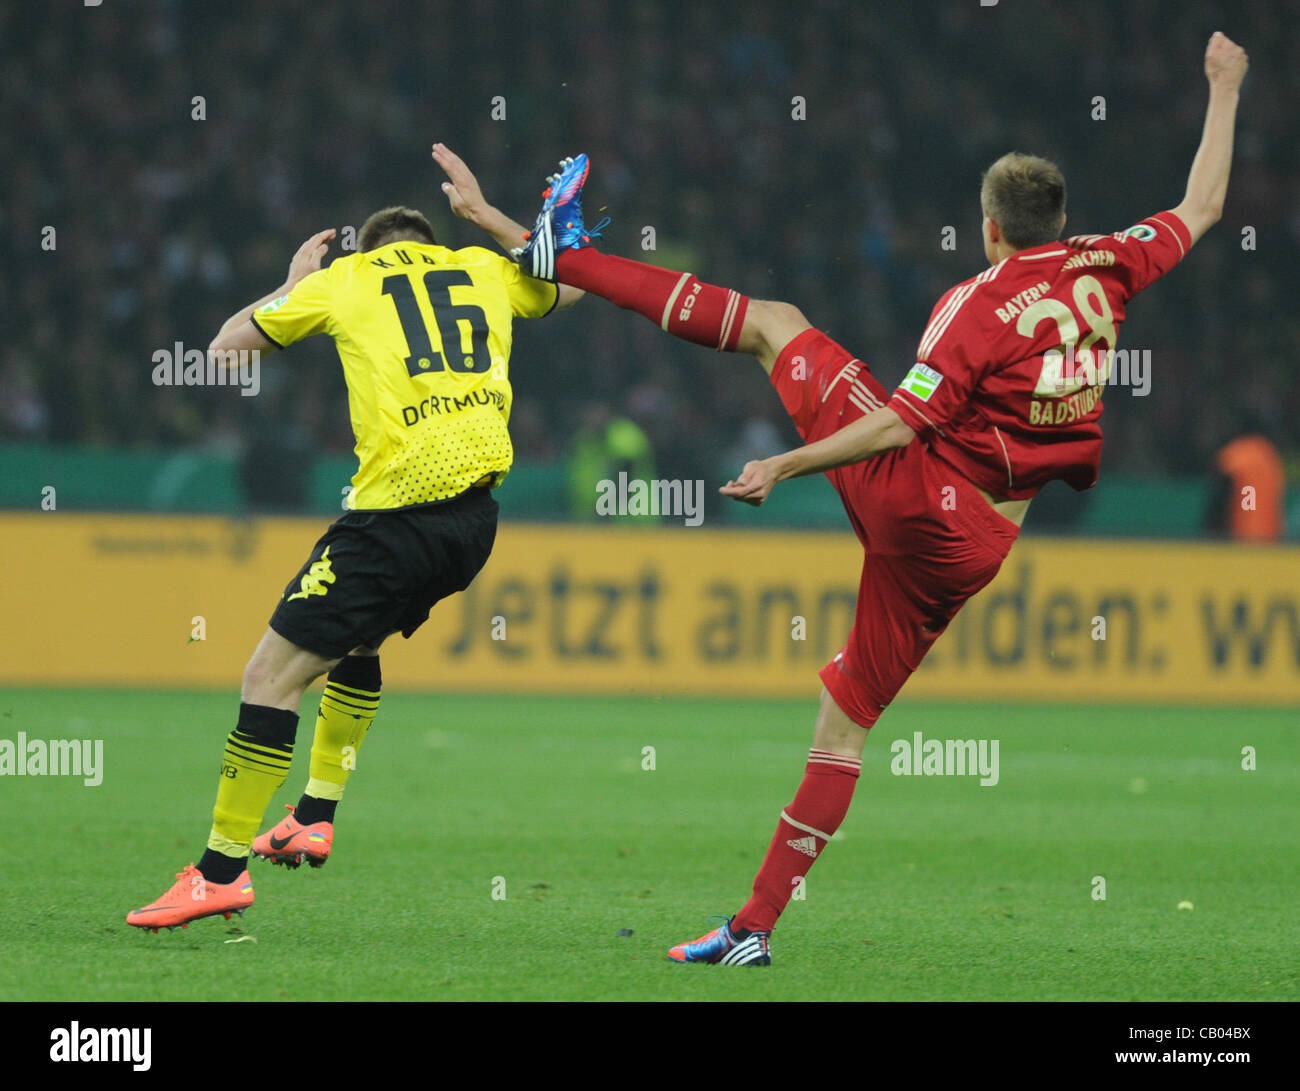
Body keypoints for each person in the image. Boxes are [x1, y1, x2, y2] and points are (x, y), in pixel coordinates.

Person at [504, 33, 1248, 964]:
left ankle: (563, 259)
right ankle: (750, 930)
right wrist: (1225, 87)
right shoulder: (1111, 263)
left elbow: (899, 425)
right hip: (977, 550)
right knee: (844, 724)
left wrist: (787, 463)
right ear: (1058, 221)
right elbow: (1205, 202)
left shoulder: (977, 303)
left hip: (924, 501)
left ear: (990, 226)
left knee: (777, 326)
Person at [126, 147, 581, 930]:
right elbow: (574, 278)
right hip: (473, 523)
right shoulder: (480, 268)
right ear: (432, 243)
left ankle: (219, 871)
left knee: (267, 677)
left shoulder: (349, 279)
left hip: (395, 518)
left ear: (369, 250)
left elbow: (222, 353)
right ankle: (314, 812)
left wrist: (292, 285)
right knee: (358, 643)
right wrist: (485, 217)